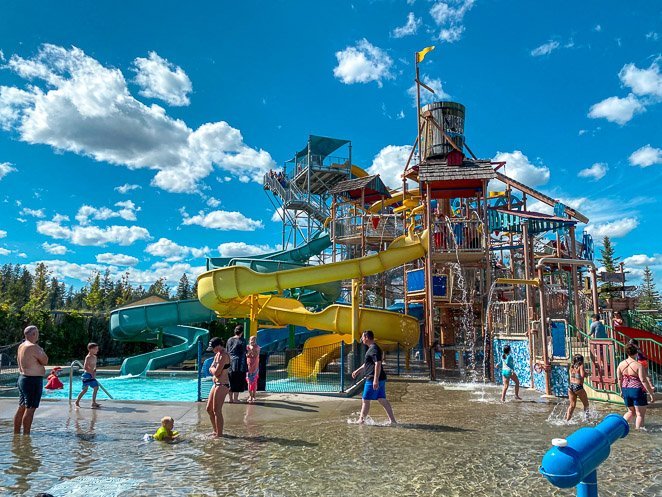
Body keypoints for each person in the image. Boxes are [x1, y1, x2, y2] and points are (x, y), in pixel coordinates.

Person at [351, 330, 396, 425]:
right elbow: (367, 364)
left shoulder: (373, 349)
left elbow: (378, 363)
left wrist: (375, 379)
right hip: (380, 378)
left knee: (365, 400)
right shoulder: (372, 348)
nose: (362, 339)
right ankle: (393, 421)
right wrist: (357, 371)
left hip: (372, 378)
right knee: (381, 399)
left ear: (367, 337)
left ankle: (361, 420)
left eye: (363, 337)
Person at [14, 325, 48, 435]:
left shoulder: (21, 346)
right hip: (32, 380)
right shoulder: (34, 347)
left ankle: (16, 433)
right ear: (33, 334)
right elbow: (45, 361)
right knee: (30, 409)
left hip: (22, 378)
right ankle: (26, 436)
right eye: (37, 333)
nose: (38, 335)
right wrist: (42, 351)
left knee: (22, 407)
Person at [617, 343, 655, 429]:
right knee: (640, 415)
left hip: (625, 389)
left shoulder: (621, 364)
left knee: (631, 412)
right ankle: (639, 433)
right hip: (637, 390)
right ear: (636, 353)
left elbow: (619, 379)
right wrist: (651, 393)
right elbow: (643, 380)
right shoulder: (638, 365)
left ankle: (621, 427)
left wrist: (621, 391)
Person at [206, 337, 230, 437]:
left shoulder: (223, 355)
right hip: (216, 384)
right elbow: (210, 368)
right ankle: (215, 431)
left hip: (222, 384)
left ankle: (219, 434)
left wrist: (213, 370)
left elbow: (217, 372)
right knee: (209, 409)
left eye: (214, 348)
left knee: (217, 410)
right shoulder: (217, 354)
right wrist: (213, 370)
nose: (213, 350)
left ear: (219, 345)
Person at [75, 343, 101, 409]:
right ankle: (77, 401)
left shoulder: (95, 357)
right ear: (90, 349)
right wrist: (91, 373)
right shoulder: (88, 357)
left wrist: (94, 372)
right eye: (95, 349)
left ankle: (93, 402)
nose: (97, 350)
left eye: (97, 349)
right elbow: (85, 367)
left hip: (92, 374)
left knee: (96, 387)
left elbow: (94, 366)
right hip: (87, 375)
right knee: (85, 390)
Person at [226, 325, 247, 403]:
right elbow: (244, 352)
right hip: (239, 363)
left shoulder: (229, 340)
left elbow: (227, 350)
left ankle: (230, 399)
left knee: (230, 381)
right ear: (241, 332)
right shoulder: (242, 340)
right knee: (238, 381)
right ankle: (235, 399)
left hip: (230, 362)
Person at [565, 354, 589, 421]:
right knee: (586, 404)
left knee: (572, 405)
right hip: (578, 386)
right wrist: (587, 374)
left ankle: (567, 420)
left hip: (571, 386)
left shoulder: (571, 366)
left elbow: (573, 375)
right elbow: (582, 375)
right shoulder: (581, 366)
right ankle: (587, 419)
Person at [246, 335, 260, 404]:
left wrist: (251, 349)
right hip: (248, 368)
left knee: (254, 382)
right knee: (249, 382)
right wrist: (249, 351)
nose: (252, 341)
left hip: (255, 368)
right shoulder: (247, 347)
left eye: (254, 340)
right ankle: (250, 396)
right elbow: (247, 355)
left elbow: (255, 354)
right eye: (251, 340)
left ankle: (254, 396)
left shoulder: (257, 347)